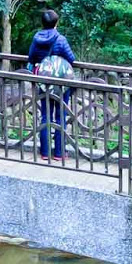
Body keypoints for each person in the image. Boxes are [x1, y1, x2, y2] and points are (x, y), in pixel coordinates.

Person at [28, 10, 75, 160]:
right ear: (56, 23)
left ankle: (45, 152)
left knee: (45, 115)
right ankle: (59, 153)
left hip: (44, 82)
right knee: (61, 116)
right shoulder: (60, 39)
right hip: (61, 83)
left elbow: (31, 58)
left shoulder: (37, 38)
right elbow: (72, 59)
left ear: (42, 23)